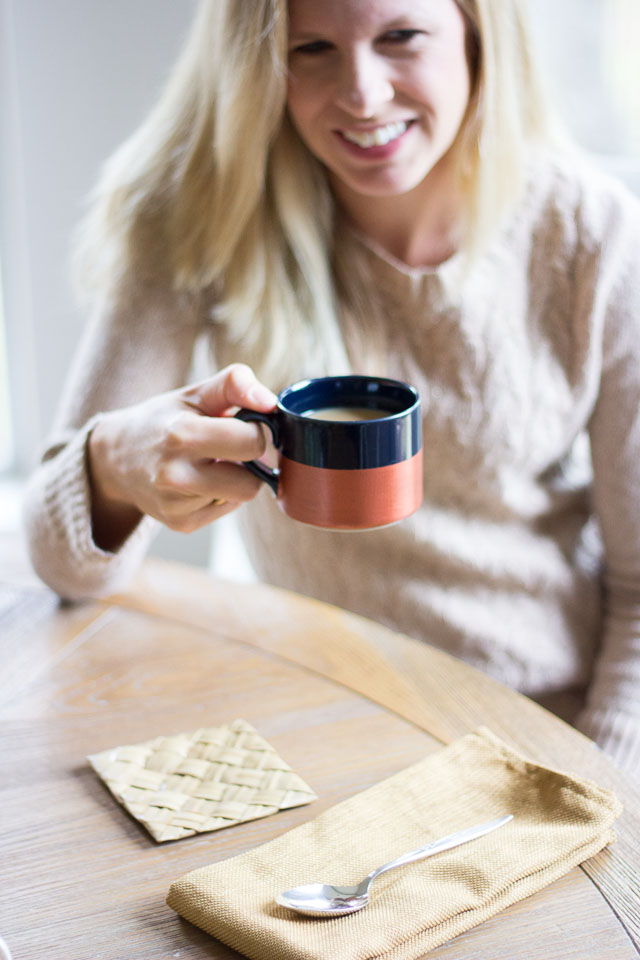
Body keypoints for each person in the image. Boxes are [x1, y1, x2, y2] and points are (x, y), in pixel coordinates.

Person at [23, 0, 640, 780]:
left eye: (400, 37)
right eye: (310, 47)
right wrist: (111, 462)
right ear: (257, 66)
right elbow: (62, 567)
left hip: (541, 726)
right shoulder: (201, 212)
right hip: (315, 725)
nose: (362, 93)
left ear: (480, 37)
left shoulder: (595, 238)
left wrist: (601, 784)